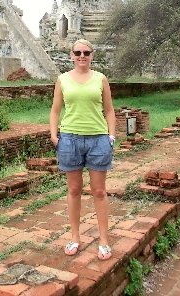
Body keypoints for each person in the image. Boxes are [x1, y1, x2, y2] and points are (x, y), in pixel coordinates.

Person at [50, 39, 116, 260]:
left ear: (92, 55)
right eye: (78, 52)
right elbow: (55, 110)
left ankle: (104, 240)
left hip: (98, 139)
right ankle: (75, 236)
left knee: (99, 191)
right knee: (74, 190)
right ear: (71, 54)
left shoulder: (100, 79)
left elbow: (109, 110)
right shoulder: (63, 80)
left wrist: (111, 136)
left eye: (86, 52)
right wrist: (54, 136)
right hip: (69, 139)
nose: (82, 56)